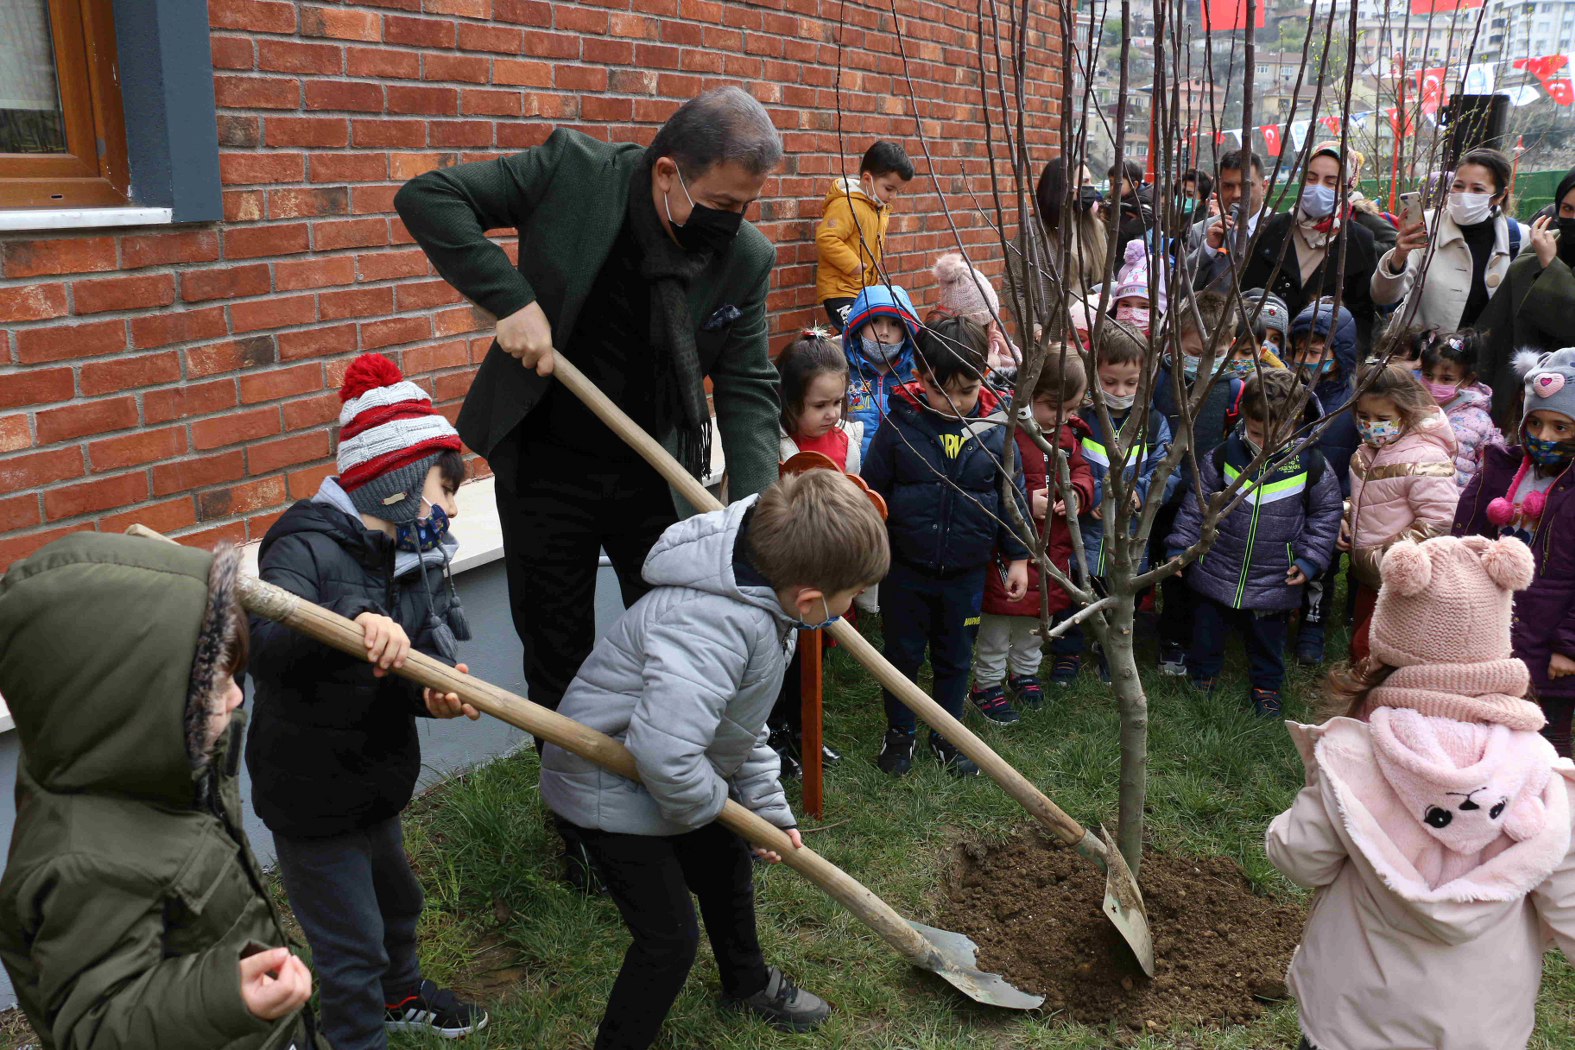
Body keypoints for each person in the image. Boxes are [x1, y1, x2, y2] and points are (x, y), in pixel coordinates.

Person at [393, 90, 785, 891]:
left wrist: (755, 517)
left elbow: (745, 383)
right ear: (667, 172)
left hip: (657, 475)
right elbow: (428, 197)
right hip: (547, 465)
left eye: (745, 206)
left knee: (689, 648)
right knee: (559, 644)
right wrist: (510, 299)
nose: (731, 221)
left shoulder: (742, 256)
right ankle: (582, 831)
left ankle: (684, 806)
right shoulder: (571, 174)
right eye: (719, 203)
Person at [539, 470, 889, 1050]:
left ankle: (746, 982)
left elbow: (736, 727)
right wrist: (717, 805)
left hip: (663, 772)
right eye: (850, 598)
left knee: (727, 863)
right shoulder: (712, 627)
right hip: (608, 791)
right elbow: (665, 754)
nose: (851, 609)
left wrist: (767, 811)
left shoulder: (761, 601)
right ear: (810, 599)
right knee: (669, 940)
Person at [246, 354, 488, 1048]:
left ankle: (401, 993)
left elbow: (400, 660)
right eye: (446, 491)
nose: (450, 510)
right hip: (311, 795)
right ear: (401, 483)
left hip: (372, 777)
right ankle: (354, 1034)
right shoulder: (303, 543)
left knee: (394, 907)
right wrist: (351, 622)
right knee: (350, 945)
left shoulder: (403, 558)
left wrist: (429, 694)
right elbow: (268, 642)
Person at [0, 535, 326, 1049]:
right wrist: (223, 998)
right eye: (216, 683)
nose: (239, 696)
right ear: (129, 705)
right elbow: (95, 1029)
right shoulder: (81, 864)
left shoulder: (155, 774)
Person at [1266, 534, 1575, 1050]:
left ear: (1390, 639)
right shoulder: (1537, 771)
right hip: (1479, 1028)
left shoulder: (1356, 755)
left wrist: (1294, 817)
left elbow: (1302, 859)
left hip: (1350, 1019)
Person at [863, 316, 1030, 772]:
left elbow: (1010, 498)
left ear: (983, 378)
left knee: (956, 657)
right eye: (941, 391)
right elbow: (872, 493)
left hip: (966, 573)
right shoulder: (900, 427)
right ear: (919, 378)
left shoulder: (998, 432)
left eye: (965, 391)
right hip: (906, 570)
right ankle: (900, 734)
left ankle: (949, 734)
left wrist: (1017, 557)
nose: (954, 403)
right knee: (902, 655)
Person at [1167, 369, 1342, 715]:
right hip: (1218, 565)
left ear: (1299, 421)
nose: (1267, 444)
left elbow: (1326, 515)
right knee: (1207, 627)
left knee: (1267, 637)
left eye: (1279, 434)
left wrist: (1309, 559)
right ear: (1245, 418)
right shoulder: (1223, 455)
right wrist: (1179, 548)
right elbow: (1196, 505)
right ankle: (1203, 675)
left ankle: (1267, 686)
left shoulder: (1312, 464)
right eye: (1258, 433)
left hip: (1274, 574)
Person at [1455, 347, 1575, 757]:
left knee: (1547, 732)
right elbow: (1465, 536)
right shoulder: (1500, 469)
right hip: (1492, 620)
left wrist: (1568, 645)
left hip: (1552, 632)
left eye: (1561, 428)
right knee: (1488, 719)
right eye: (1536, 423)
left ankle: (1554, 810)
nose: (1544, 437)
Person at [971, 346, 1095, 718]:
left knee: (1034, 620)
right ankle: (988, 681)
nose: (1064, 417)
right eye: (1054, 408)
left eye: (1071, 409)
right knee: (998, 618)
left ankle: (1025, 672)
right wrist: (1026, 501)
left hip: (1049, 549)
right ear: (1028, 396)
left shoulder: (1068, 436)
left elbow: (1083, 471)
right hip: (1007, 550)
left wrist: (1076, 492)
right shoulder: (1003, 433)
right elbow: (988, 486)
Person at [1053, 322, 1176, 685]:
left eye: (1130, 383)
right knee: (1076, 589)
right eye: (1109, 382)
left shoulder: (1153, 424)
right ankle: (1067, 651)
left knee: (1125, 598)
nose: (1120, 391)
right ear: (1093, 377)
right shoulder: (1081, 420)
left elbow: (1166, 472)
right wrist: (1083, 493)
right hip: (1084, 533)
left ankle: (1114, 653)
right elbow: (1067, 461)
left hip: (1131, 533)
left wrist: (1141, 496)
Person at [767, 329, 861, 773]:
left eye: (837, 403)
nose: (832, 414)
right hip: (787, 581)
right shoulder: (776, 450)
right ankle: (774, 739)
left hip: (827, 579)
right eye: (819, 405)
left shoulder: (845, 444)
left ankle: (807, 733)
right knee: (776, 667)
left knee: (813, 661)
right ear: (789, 402)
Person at [1340, 364, 1460, 662]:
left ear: (1406, 414)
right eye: (1363, 417)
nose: (1371, 425)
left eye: (1382, 419)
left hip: (1402, 579)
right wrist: (1345, 519)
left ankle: (1374, 703)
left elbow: (1439, 521)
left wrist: (1387, 556)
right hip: (1369, 574)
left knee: (1372, 650)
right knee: (1363, 648)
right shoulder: (1367, 451)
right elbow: (1367, 501)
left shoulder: (1426, 458)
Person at [1152, 291, 1244, 675]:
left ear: (1231, 346)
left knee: (1182, 570)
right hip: (1154, 491)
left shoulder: (1234, 388)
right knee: (1148, 559)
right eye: (1194, 351)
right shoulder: (1157, 379)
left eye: (1215, 352)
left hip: (1201, 497)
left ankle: (1175, 638)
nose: (1204, 361)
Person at [1225, 145, 1380, 354]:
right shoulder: (1270, 231)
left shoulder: (1359, 241)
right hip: (1268, 360)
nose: (1318, 188)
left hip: (1327, 365)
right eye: (1311, 178)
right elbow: (1246, 299)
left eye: (1330, 182)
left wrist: (1345, 361)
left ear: (1347, 187)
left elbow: (1363, 316)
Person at [1372, 148, 1526, 333]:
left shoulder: (1519, 237)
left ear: (1499, 195)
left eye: (1477, 189)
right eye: (1459, 186)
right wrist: (1398, 258)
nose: (1464, 195)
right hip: (1422, 356)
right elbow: (1382, 296)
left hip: (1486, 358)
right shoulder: (1427, 225)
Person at [1284, 299, 1362, 664]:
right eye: (1299, 349)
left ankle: (1313, 627)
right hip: (1285, 495)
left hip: (1330, 504)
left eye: (1315, 350)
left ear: (1339, 351)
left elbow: (1358, 463)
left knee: (1321, 569)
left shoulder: (1353, 405)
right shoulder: (1287, 393)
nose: (1305, 357)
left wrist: (1346, 509)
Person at [1475, 167, 1575, 425]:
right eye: (1568, 209)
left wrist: (1551, 267)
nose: (1572, 218)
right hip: (1514, 405)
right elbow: (1496, 330)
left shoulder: (1545, 256)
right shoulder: (1535, 254)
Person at [815, 140, 915, 331]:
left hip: (864, 289)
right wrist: (853, 265)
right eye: (889, 188)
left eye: (898, 191)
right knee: (858, 332)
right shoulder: (847, 205)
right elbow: (826, 238)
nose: (893, 196)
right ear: (868, 179)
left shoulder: (877, 208)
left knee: (867, 334)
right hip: (840, 289)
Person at [842, 282, 922, 466]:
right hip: (852, 475)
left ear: (906, 330)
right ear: (858, 326)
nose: (884, 333)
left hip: (901, 475)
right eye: (875, 321)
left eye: (894, 324)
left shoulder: (917, 375)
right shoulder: (842, 372)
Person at [1418, 329, 1501, 488]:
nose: (1434, 384)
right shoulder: (1411, 408)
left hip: (1456, 502)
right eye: (1428, 375)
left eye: (1446, 379)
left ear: (1467, 380)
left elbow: (1492, 468)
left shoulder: (1477, 420)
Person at [1184, 150, 1270, 289]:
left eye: (1245, 185)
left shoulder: (1282, 228)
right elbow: (1182, 290)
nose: (1236, 194)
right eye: (1228, 186)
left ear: (1264, 186)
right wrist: (1208, 249)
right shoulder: (1200, 232)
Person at [1032, 156, 1110, 297]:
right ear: (1064, 186)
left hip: (1089, 316)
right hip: (1050, 317)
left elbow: (1107, 278)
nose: (1091, 187)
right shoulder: (1034, 231)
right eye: (1085, 181)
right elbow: (1014, 285)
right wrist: (1034, 319)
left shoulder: (1095, 227)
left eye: (1091, 180)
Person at [931, 251, 1019, 372]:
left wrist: (1009, 353)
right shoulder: (952, 356)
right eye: (992, 320)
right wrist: (1000, 361)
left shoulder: (995, 343)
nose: (995, 324)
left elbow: (1020, 363)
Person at [1109, 238, 1165, 338]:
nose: (1132, 314)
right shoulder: (1104, 340)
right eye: (1126, 305)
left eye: (1144, 307)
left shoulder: (1167, 346)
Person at [1108, 159, 1155, 249]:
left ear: (1134, 185)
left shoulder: (1142, 200)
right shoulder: (1118, 198)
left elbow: (1149, 217)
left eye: (1118, 184)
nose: (1112, 188)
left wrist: (1123, 229)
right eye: (1111, 183)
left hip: (1133, 249)